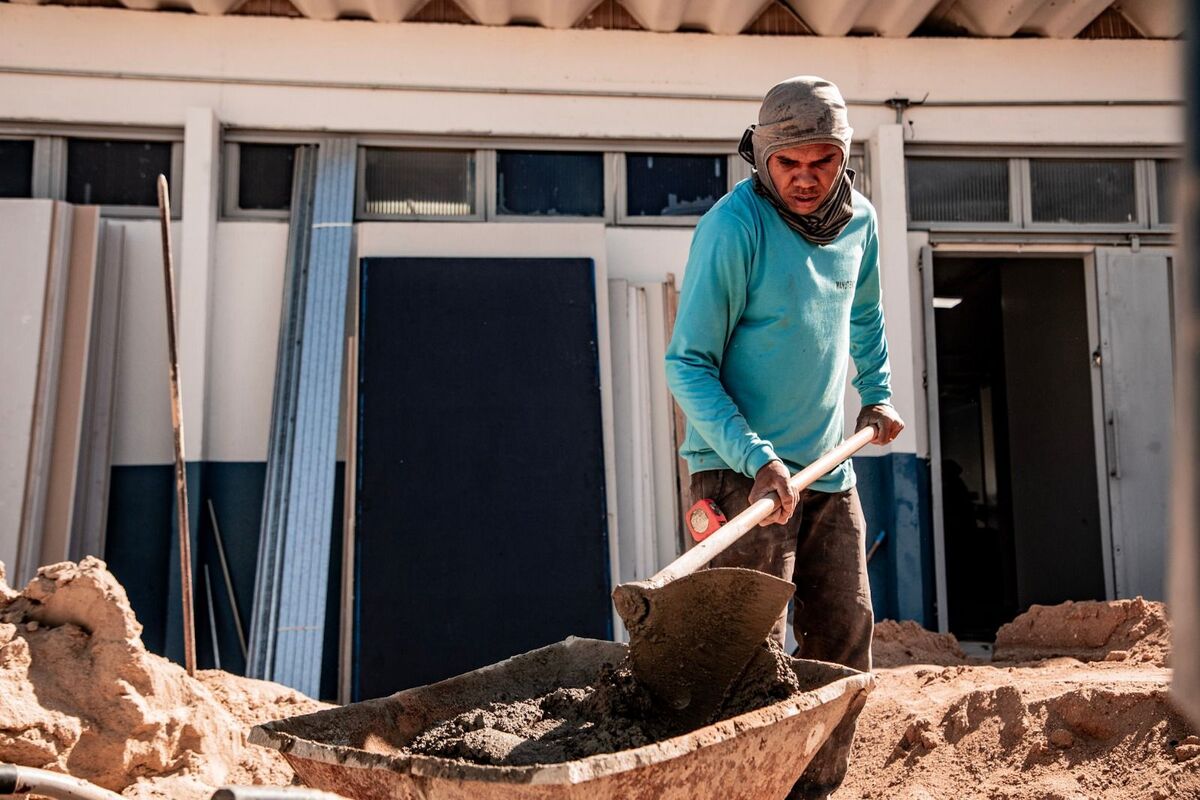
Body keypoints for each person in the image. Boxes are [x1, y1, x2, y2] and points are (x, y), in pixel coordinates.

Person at [664, 75, 904, 799]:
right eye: (789, 164)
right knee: (744, 656)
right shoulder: (733, 229)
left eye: (821, 162)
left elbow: (865, 315)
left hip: (828, 472)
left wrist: (880, 391)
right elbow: (688, 364)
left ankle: (816, 788)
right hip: (740, 477)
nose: (805, 179)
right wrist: (755, 457)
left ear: (844, 158)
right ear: (761, 160)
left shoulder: (858, 222)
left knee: (843, 639)